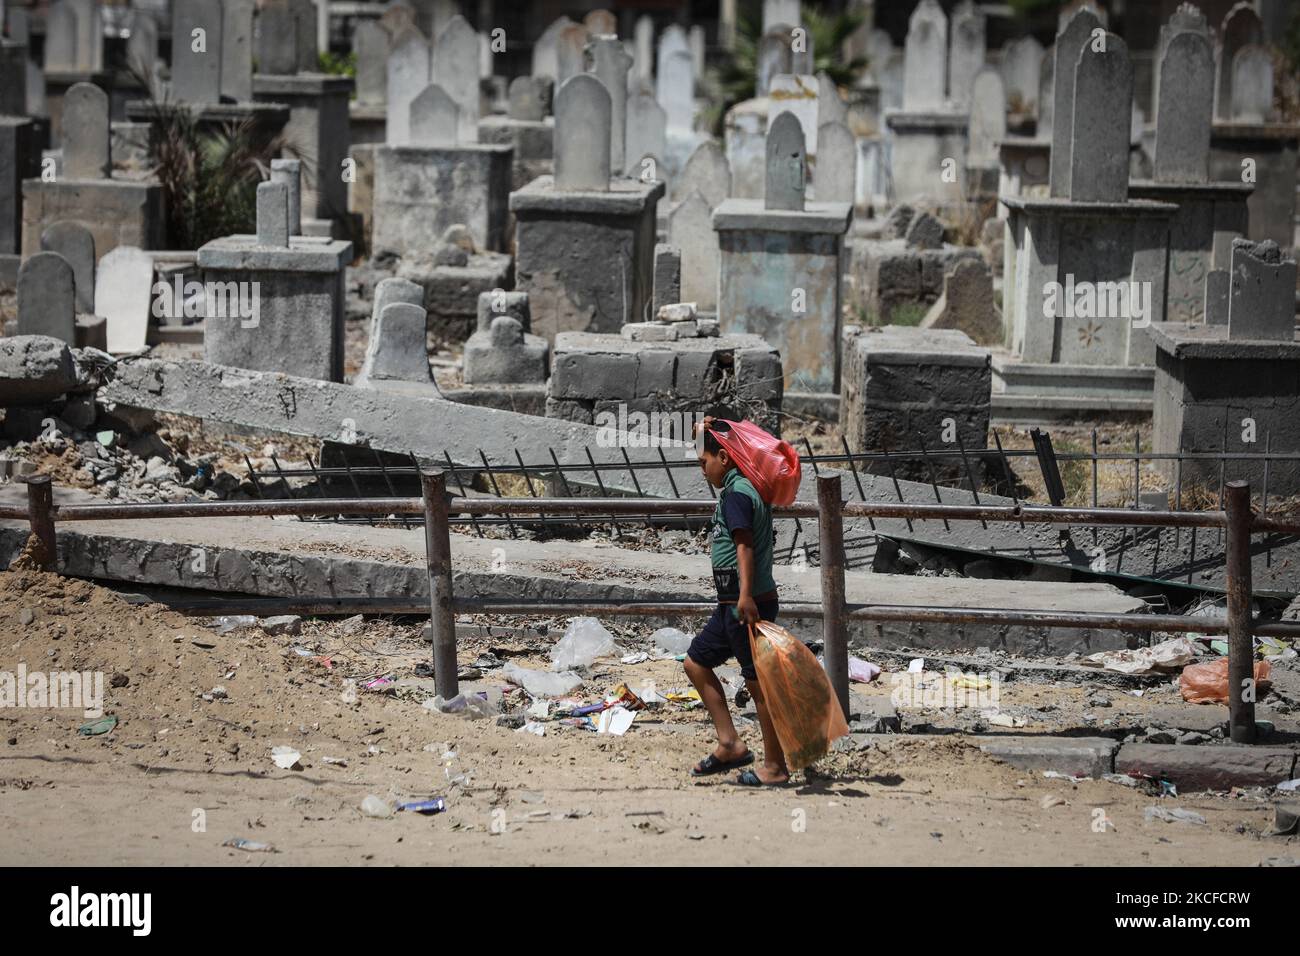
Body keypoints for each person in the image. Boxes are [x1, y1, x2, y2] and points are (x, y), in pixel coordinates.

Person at [683, 417, 789, 786]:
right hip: (731, 605)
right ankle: (730, 743)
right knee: (696, 663)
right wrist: (703, 429)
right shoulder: (740, 489)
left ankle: (775, 766)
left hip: (745, 604)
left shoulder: (738, 496)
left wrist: (744, 597)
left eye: (704, 461)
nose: (702, 469)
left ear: (725, 459)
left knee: (758, 685)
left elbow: (744, 547)